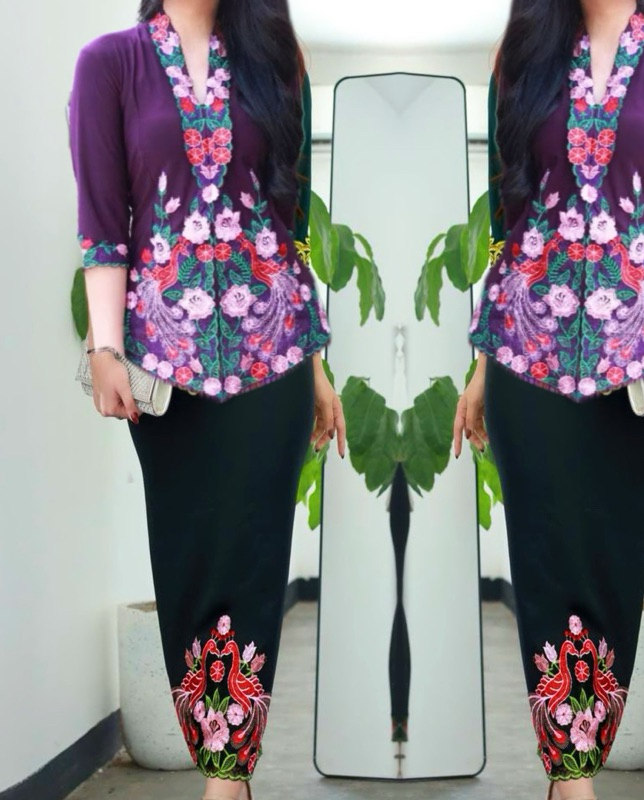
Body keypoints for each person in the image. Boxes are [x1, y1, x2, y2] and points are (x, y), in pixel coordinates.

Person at [69, 1, 345, 797]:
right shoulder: (110, 64)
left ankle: (229, 777)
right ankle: (217, 748)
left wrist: (316, 366)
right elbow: (103, 222)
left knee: (254, 561)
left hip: (275, 356)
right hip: (167, 364)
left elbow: (288, 226)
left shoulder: (277, 61)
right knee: (189, 558)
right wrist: (105, 346)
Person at [454, 1, 644, 798]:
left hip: (632, 363)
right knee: (545, 561)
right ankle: (570, 778)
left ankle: (581, 749)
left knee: (610, 557)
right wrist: (483, 366)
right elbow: (511, 226)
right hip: (523, 355)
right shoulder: (522, 60)